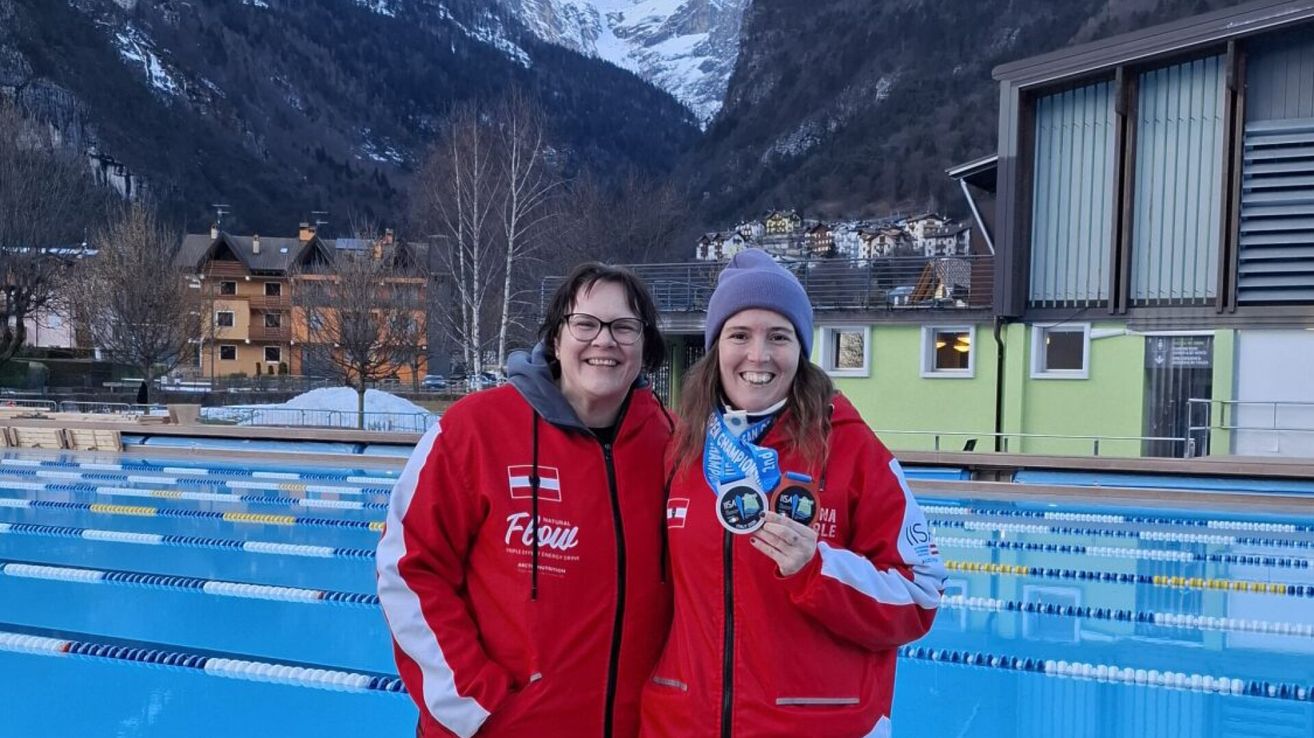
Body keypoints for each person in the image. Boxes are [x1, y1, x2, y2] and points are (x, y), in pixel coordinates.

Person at [639, 249, 947, 738]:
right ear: (716, 345)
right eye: (739, 335)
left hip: (814, 724)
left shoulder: (848, 447)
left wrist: (819, 569)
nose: (758, 356)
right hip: (683, 724)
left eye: (778, 337)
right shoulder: (683, 447)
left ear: (799, 350)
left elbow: (921, 595)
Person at [378, 263, 674, 738]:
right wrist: (472, 702)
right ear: (556, 340)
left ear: (645, 347)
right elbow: (407, 567)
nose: (605, 341)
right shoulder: (474, 430)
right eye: (586, 324)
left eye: (625, 327)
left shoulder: (672, 444)